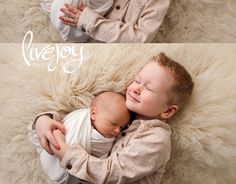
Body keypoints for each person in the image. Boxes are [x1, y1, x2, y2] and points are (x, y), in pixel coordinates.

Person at [33, 53, 194, 184]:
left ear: (168, 111)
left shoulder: (156, 139)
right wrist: (44, 120)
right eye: (137, 81)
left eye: (149, 88)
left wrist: (64, 151)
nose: (136, 88)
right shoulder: (124, 114)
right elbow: (83, 120)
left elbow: (111, 174)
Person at [29, 92, 130, 184]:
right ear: (93, 114)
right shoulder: (80, 118)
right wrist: (42, 119)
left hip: (74, 170)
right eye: (113, 123)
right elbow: (61, 121)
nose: (117, 131)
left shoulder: (108, 142)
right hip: (51, 148)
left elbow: (99, 167)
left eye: (121, 127)